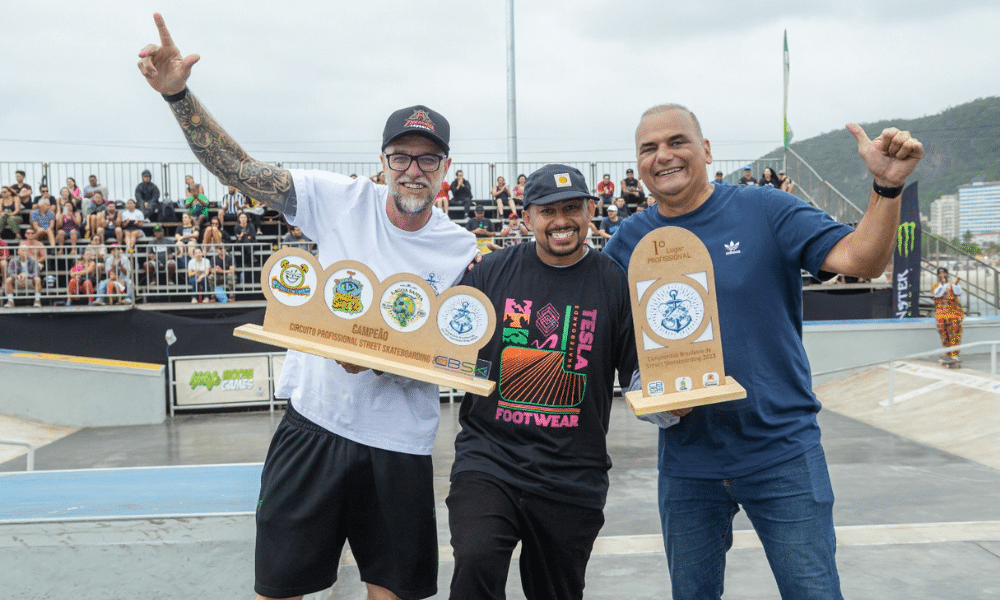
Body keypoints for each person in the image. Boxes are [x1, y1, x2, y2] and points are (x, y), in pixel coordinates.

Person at [138, 13, 480, 600]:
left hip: (398, 445)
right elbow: (239, 170)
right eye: (402, 155)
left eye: (428, 158)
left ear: (446, 168)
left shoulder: (461, 249)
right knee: (279, 589)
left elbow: (456, 355)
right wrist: (178, 96)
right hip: (315, 425)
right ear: (383, 162)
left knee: (394, 592)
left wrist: (380, 360)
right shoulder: (339, 199)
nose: (414, 169)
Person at [603, 103, 924, 600]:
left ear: (706, 150)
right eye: (649, 148)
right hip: (689, 463)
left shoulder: (765, 209)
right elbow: (622, 343)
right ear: (638, 163)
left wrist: (887, 187)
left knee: (813, 592)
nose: (663, 155)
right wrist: (646, 390)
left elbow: (864, 259)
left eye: (677, 141)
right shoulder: (628, 241)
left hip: (782, 453)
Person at [448, 164, 637, 600]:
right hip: (490, 459)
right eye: (548, 210)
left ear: (591, 209)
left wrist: (677, 394)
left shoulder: (614, 282)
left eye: (572, 208)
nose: (561, 221)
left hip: (572, 473)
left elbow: (636, 374)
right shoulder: (491, 273)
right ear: (526, 215)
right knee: (475, 561)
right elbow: (450, 343)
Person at [932, 266, 963, 362]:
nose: (942, 275)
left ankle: (953, 354)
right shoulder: (936, 285)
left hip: (953, 314)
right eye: (940, 273)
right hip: (941, 314)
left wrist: (955, 282)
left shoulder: (952, 284)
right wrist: (942, 284)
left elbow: (958, 292)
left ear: (946, 274)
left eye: (944, 272)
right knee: (943, 334)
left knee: (954, 333)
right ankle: (946, 352)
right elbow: (937, 295)